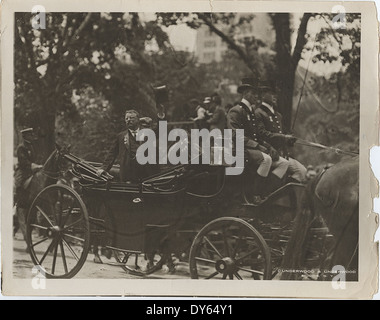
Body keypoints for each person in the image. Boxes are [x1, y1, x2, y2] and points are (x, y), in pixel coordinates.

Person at [227, 77, 289, 204]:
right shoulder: (236, 111)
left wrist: (268, 146)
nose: (256, 96)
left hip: (252, 149)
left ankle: (266, 191)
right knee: (266, 160)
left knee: (284, 163)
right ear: (245, 93)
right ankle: (255, 194)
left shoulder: (251, 112)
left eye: (257, 93)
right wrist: (257, 147)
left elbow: (258, 135)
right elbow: (235, 135)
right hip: (240, 150)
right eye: (253, 93)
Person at [255, 80, 307, 183]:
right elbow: (262, 134)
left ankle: (282, 191)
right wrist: (283, 137)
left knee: (302, 171)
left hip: (281, 154)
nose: (275, 96)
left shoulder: (278, 115)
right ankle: (270, 192)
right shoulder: (258, 113)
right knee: (284, 165)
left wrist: (288, 140)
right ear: (264, 95)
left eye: (275, 94)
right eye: (271, 93)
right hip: (268, 153)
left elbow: (283, 135)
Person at [14, 128, 43, 246]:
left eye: (32, 134)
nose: (32, 136)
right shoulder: (21, 147)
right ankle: (19, 198)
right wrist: (33, 166)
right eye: (30, 134)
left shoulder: (31, 147)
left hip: (32, 173)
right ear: (25, 136)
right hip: (24, 173)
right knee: (21, 186)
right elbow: (23, 162)